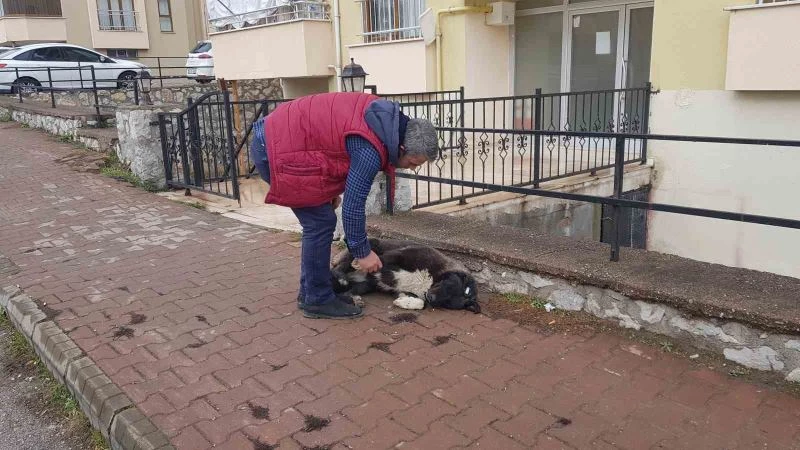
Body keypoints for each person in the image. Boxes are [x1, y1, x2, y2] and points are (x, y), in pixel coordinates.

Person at [249, 92, 439, 320]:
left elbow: (333, 149)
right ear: (401, 147)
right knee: (320, 223)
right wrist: (362, 252)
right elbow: (353, 206)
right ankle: (317, 300)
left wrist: (327, 193)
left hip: (280, 138)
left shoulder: (383, 120)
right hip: (276, 148)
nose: (409, 168)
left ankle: (311, 292)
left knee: (320, 219)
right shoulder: (371, 147)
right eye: (412, 163)